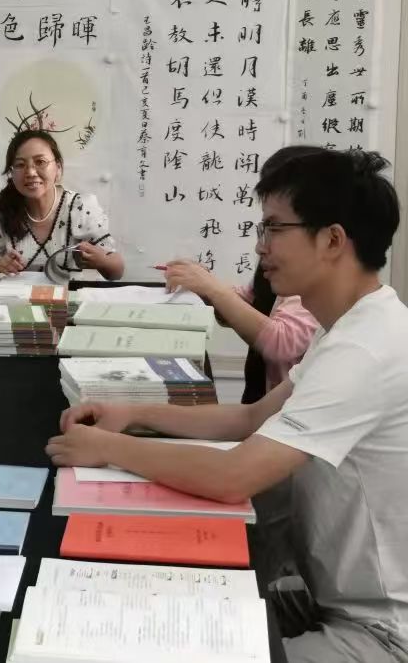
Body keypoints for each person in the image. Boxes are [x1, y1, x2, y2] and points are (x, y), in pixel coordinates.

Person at [46, 149, 408, 662]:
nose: (261, 246)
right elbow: (250, 417)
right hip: (332, 599)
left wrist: (108, 448)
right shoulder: (350, 328)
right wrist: (131, 413)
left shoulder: (364, 349)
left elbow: (233, 476)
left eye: (275, 228)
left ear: (332, 240)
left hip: (380, 633)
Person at [162, 146, 323, 403]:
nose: (260, 247)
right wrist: (204, 285)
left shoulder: (316, 275)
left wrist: (213, 288)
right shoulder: (277, 257)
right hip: (261, 402)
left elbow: (282, 341)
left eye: (275, 226)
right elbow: (251, 301)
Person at [0, 130, 123, 282]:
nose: (30, 172)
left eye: (40, 162)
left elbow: (117, 271)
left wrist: (102, 261)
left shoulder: (80, 207)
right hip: (17, 302)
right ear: (11, 173)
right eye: (20, 165)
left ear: (58, 168)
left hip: (68, 300)